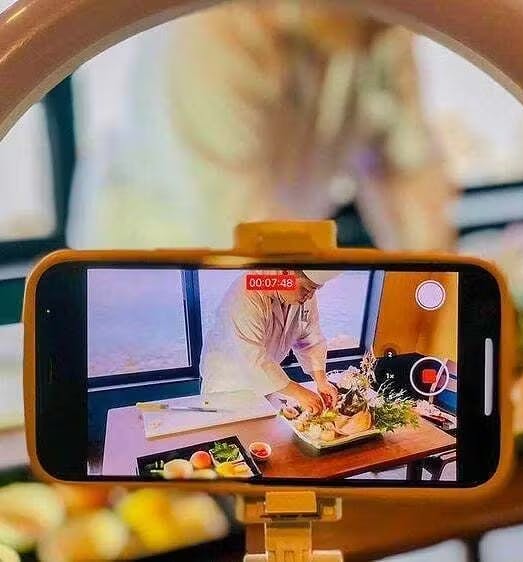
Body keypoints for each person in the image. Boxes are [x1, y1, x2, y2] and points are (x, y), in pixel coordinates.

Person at [68, 2, 455, 252]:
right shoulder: (211, 27)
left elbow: (407, 170)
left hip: (273, 239)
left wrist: (440, 293)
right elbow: (242, 226)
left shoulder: (381, 24)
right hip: (158, 255)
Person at [200, 270, 340, 414]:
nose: (309, 296)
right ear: (286, 273)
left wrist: (322, 381)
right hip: (229, 389)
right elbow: (252, 357)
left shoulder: (304, 296)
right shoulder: (246, 292)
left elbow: (310, 339)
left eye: (314, 289)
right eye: (306, 288)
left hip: (266, 384)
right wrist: (299, 392)